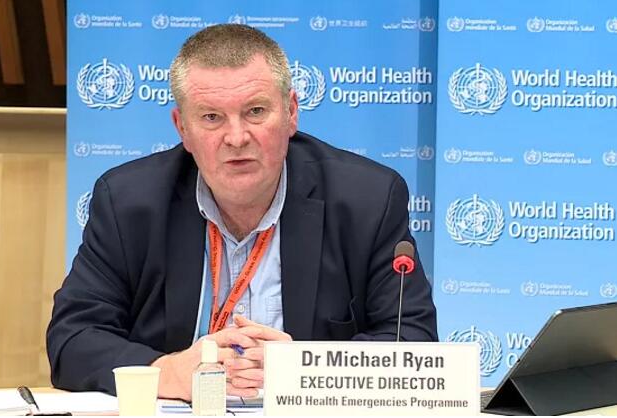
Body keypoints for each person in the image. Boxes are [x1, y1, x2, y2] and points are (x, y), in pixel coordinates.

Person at [47, 23, 437, 401]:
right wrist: (170, 372)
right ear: (182, 128)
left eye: (255, 111)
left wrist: (303, 369)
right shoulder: (130, 203)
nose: (236, 138)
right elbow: (72, 338)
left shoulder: (366, 199)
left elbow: (413, 341)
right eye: (211, 117)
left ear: (291, 112)